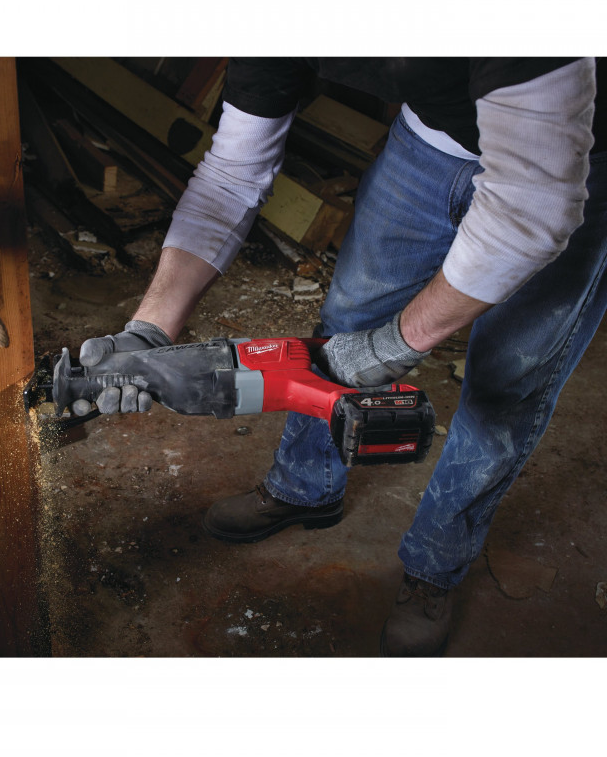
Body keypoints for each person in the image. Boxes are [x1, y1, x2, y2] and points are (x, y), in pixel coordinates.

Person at [78, 58, 606, 656]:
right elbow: (229, 176)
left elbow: (532, 209)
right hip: (426, 147)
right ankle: (304, 489)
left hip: (579, 163)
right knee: (345, 326)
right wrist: (149, 329)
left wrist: (396, 344)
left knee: (508, 382)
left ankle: (434, 568)